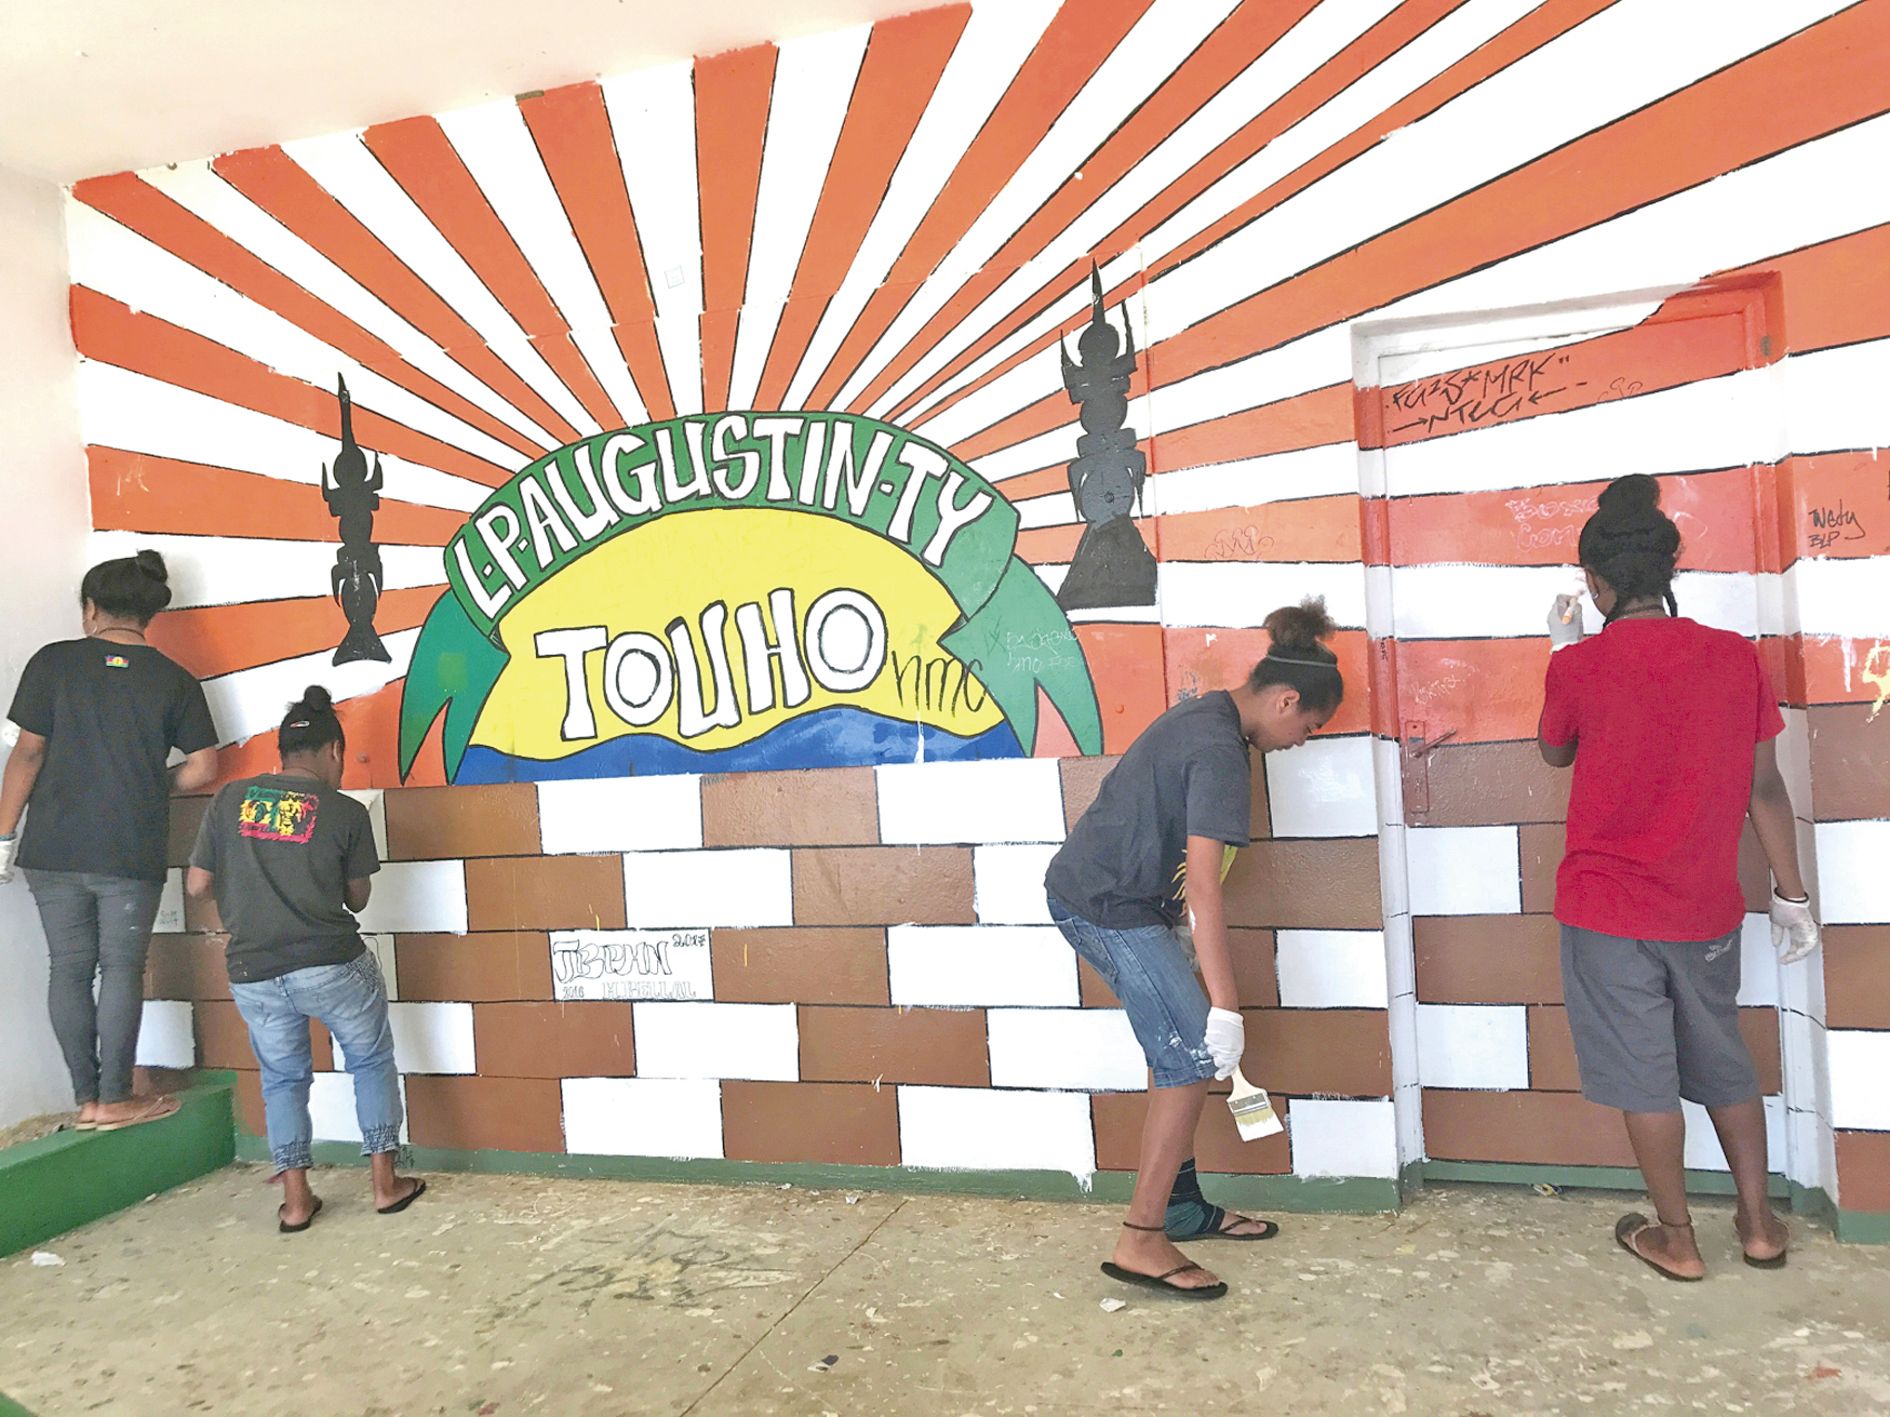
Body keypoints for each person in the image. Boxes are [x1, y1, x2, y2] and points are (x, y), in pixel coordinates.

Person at [1539, 473, 1819, 1280]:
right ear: (1669, 570)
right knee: (1722, 1059)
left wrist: (1562, 651)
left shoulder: (1581, 665)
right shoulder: (1734, 657)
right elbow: (1766, 787)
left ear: (1594, 583)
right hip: (1704, 910)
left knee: (1644, 1078)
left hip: (1606, 912)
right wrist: (1792, 895)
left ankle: (1677, 1238)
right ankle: (1758, 1225)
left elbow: (1556, 751)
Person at [1045, 599, 1345, 1299]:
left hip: (1122, 900)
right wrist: (1226, 1010)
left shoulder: (1211, 721)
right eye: (1309, 725)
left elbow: (1190, 873)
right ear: (1286, 699)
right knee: (1188, 1055)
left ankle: (1179, 1206)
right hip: (1106, 905)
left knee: (1176, 1049)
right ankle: (1141, 1238)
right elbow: (1206, 887)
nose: (1303, 740)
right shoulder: (1219, 752)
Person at [186, 686, 425, 1231]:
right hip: (332, 964)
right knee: (369, 1061)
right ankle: (385, 1186)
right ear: (334, 751)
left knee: (282, 1080)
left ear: (283, 751)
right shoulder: (345, 811)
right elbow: (357, 899)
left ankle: (296, 1203)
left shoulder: (230, 799)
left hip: (254, 971)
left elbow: (198, 885)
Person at [0, 550, 219, 1131]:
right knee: (121, 968)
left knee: (68, 967)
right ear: (149, 614)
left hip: (53, 847)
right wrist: (150, 782)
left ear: (91, 609)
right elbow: (203, 767)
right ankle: (115, 1097)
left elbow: (28, 753)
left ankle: (87, 1100)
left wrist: (2, 835)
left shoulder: (52, 663)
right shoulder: (174, 679)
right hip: (128, 847)